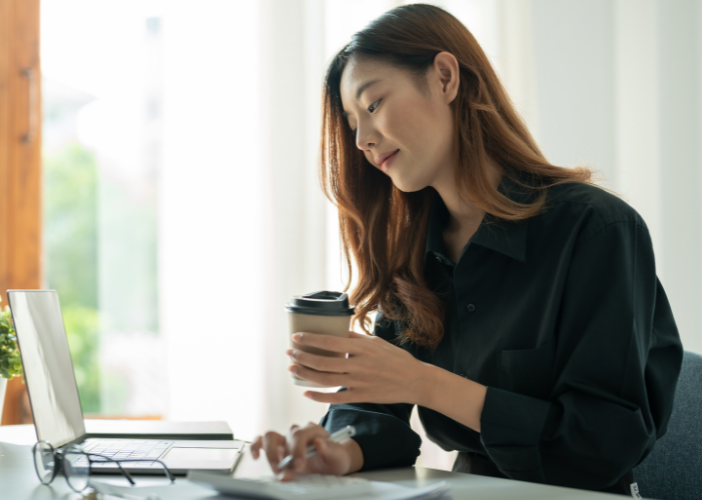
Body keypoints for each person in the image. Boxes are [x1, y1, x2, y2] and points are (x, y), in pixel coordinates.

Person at [249, 4, 683, 496]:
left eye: (372, 105)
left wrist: (422, 382)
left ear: (445, 77)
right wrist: (337, 450)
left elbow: (601, 445)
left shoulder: (595, 229)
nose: (363, 140)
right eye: (352, 125)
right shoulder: (414, 253)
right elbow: (377, 408)